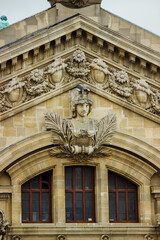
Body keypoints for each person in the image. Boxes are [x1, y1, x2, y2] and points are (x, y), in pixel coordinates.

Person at [69, 84, 98, 155]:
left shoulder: (94, 123)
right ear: (75, 107)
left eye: (87, 106)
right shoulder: (69, 123)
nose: (84, 109)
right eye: (81, 106)